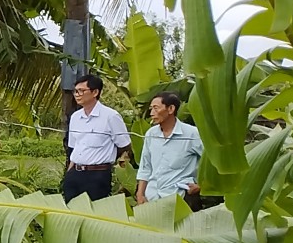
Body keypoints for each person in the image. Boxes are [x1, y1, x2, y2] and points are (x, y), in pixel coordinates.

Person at [63, 74, 133, 202]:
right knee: (71, 213)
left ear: (95, 92)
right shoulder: (75, 117)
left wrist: (105, 160)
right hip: (75, 173)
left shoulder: (110, 116)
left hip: (97, 175)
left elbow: (124, 145)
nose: (77, 94)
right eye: (76, 91)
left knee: (94, 214)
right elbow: (74, 147)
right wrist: (69, 173)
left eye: (81, 91)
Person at [135, 92, 203, 206]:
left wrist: (200, 186)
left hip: (180, 197)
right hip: (152, 198)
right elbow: (145, 167)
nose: (151, 113)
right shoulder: (151, 134)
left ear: (171, 109)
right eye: (151, 109)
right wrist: (140, 194)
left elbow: (211, 160)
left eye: (156, 108)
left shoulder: (191, 134)